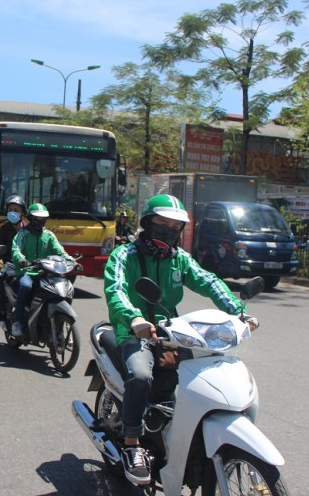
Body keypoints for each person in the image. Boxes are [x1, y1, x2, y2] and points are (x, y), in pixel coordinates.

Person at [103, 194, 258, 486]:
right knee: (139, 375)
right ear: (148, 224)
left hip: (170, 330)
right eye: (162, 224)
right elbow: (116, 290)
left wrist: (239, 312)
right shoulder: (125, 255)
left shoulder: (179, 259)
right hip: (132, 331)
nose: (169, 231)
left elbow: (207, 280)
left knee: (200, 376)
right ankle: (133, 443)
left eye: (175, 227)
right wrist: (134, 319)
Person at [9, 203, 77, 337]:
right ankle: (17, 321)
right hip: (26, 272)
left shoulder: (49, 236)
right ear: (29, 219)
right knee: (26, 286)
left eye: (43, 219)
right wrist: (22, 260)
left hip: (45, 272)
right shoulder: (23, 234)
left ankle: (60, 326)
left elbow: (60, 251)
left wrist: (72, 262)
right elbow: (16, 250)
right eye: (36, 219)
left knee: (64, 289)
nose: (40, 222)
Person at [0, 194, 28, 322]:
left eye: (16, 210)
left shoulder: (29, 230)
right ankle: (0, 310)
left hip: (28, 265)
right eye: (10, 210)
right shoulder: (2, 230)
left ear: (23, 213)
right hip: (9, 263)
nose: (12, 212)